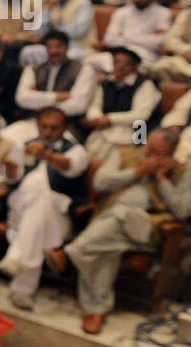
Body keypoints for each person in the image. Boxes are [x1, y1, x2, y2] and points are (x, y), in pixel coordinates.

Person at [58, 128, 191, 334]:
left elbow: (182, 211)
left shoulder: (183, 172)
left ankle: (68, 255)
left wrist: (162, 179)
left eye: (157, 152)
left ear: (170, 154)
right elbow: (99, 183)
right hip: (108, 223)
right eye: (149, 147)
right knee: (108, 244)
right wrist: (136, 172)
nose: (149, 154)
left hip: (148, 229)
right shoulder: (125, 154)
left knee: (118, 217)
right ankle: (96, 312)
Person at [0, 107, 89, 310]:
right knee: (35, 199)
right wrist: (11, 169)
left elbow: (68, 166)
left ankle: (16, 257)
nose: (48, 132)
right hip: (20, 208)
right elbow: (12, 179)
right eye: (44, 126)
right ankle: (22, 289)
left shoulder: (76, 151)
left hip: (58, 216)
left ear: (64, 128)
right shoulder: (25, 146)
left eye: (54, 128)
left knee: (42, 198)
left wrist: (46, 155)